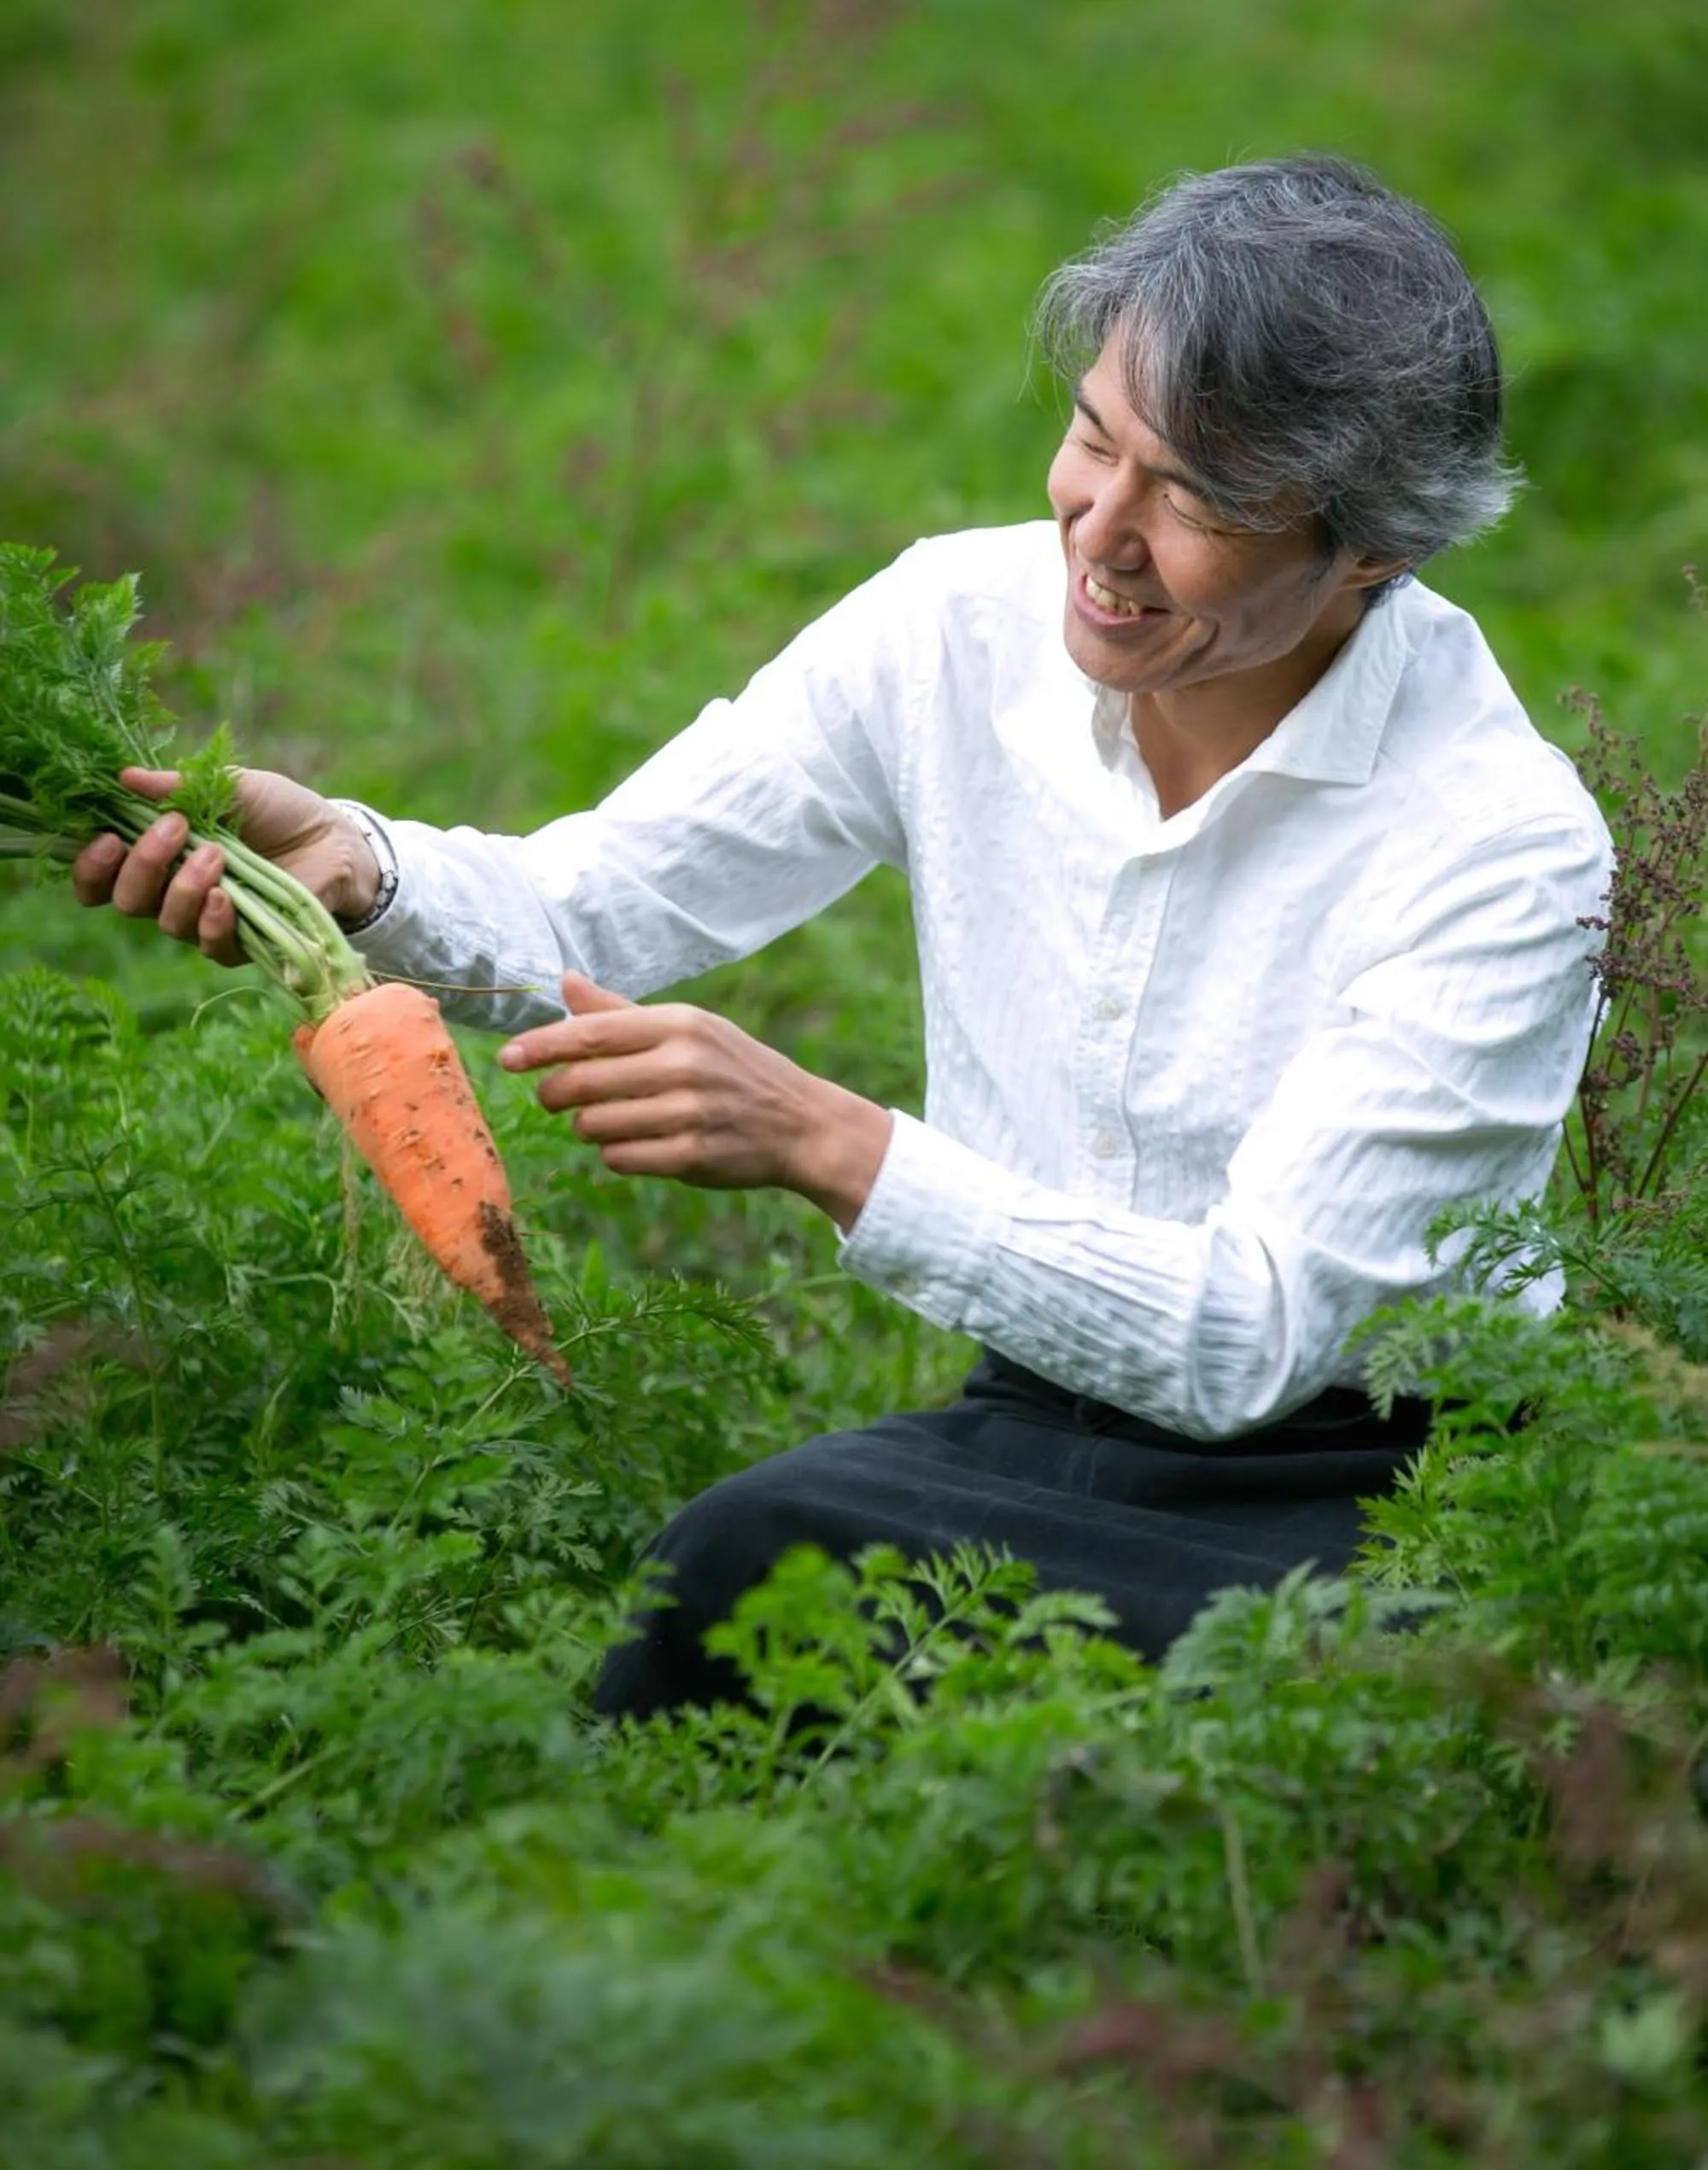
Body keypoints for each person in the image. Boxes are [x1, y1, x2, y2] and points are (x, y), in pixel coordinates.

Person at [76, 154, 1612, 1719]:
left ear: (1374, 549)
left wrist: (832, 1143)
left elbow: (1251, 1334)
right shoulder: (954, 630)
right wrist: (360, 869)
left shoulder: (1498, 849)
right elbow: (595, 907)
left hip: (1369, 1486)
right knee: (731, 1575)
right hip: (1039, 1419)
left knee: (1259, 1715)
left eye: (1197, 498)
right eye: (1096, 438)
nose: (1102, 531)